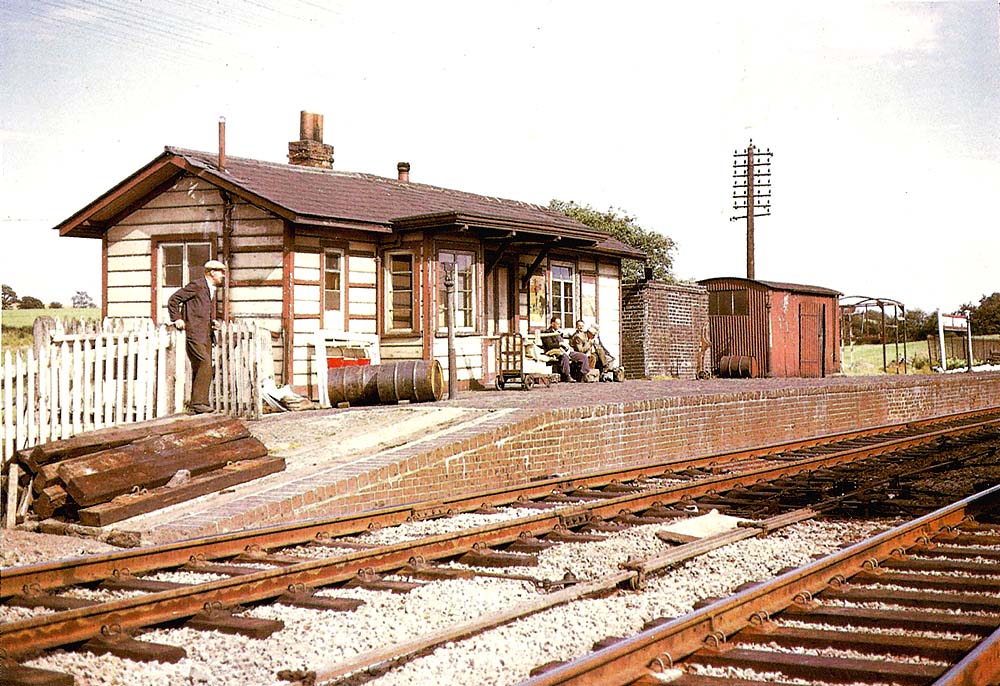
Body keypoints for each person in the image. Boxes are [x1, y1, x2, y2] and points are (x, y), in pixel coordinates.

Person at [167, 260, 227, 413]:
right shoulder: (197, 285)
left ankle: (197, 404)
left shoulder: (210, 289)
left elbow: (200, 310)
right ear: (212, 272)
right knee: (205, 363)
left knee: (200, 367)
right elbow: (173, 300)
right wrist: (177, 319)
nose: (223, 275)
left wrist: (211, 321)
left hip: (205, 333)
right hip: (194, 333)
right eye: (221, 272)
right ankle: (199, 403)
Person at [540, 316, 590, 382]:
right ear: (552, 324)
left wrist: (568, 347)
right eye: (557, 323)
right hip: (554, 351)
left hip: (566, 350)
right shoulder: (547, 333)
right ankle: (567, 375)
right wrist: (559, 344)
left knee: (583, 356)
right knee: (564, 356)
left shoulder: (559, 332)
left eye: (560, 323)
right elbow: (549, 345)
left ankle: (584, 374)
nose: (559, 325)